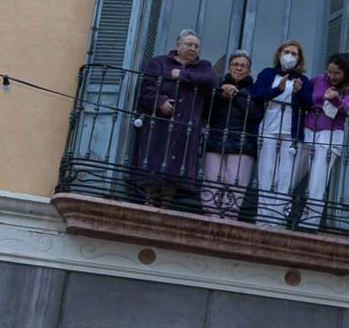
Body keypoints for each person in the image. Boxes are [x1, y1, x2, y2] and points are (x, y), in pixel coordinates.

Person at [132, 29, 217, 207]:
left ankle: (166, 205)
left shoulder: (204, 66)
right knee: (153, 163)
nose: (193, 48)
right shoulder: (158, 63)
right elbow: (145, 89)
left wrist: (182, 75)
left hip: (186, 126)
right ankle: (149, 201)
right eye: (189, 44)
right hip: (159, 126)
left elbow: (211, 81)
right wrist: (160, 101)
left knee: (177, 167)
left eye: (196, 46)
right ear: (178, 45)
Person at [250, 40, 312, 226]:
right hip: (268, 130)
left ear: (299, 59)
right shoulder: (267, 74)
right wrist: (278, 89)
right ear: (279, 54)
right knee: (265, 174)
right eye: (287, 52)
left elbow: (309, 104)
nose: (290, 56)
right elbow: (256, 93)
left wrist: (299, 93)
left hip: (291, 135)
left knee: (284, 179)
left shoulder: (303, 80)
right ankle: (263, 220)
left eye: (294, 54)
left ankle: (277, 222)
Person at [297, 53, 349, 229]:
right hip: (308, 129)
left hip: (329, 135)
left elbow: (346, 107)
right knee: (291, 172)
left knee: (317, 180)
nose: (331, 76)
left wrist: (335, 98)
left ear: (345, 74)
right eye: (329, 72)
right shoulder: (317, 80)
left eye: (336, 73)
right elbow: (305, 98)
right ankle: (275, 215)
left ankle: (309, 224)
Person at [202, 50, 262, 219]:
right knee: (211, 182)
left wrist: (236, 96)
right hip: (215, 141)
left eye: (243, 66)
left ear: (249, 70)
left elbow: (255, 116)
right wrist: (221, 96)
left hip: (243, 146)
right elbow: (207, 113)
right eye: (236, 64)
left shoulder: (255, 90)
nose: (239, 68)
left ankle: (230, 219)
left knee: (236, 186)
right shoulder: (218, 87)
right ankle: (210, 217)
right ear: (229, 67)